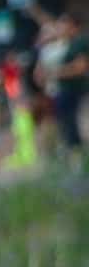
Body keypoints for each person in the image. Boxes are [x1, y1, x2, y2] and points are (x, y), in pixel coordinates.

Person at [43, 9, 87, 162]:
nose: (61, 28)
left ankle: (77, 157)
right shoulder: (68, 43)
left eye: (64, 25)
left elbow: (81, 67)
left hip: (75, 90)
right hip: (64, 90)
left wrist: (55, 73)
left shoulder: (80, 42)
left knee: (73, 124)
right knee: (65, 123)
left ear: (74, 26)